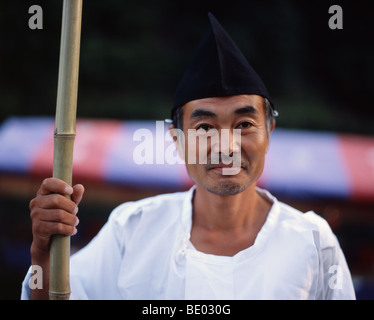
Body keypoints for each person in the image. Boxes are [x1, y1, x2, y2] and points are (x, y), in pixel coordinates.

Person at [21, 13, 355, 300]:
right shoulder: (134, 228)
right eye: (205, 127)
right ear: (176, 138)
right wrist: (43, 253)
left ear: (269, 132)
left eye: (244, 124)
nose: (225, 145)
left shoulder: (313, 242)